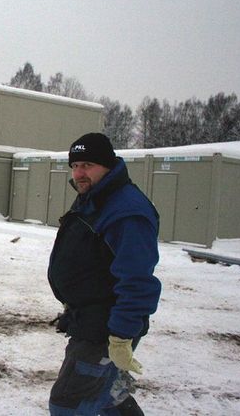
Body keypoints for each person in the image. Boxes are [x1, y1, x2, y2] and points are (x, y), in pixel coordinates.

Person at [47, 133, 161, 416]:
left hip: (106, 327)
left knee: (67, 405)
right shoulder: (94, 197)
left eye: (87, 164)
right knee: (107, 396)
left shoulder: (127, 210)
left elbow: (137, 281)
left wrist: (121, 336)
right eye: (74, 165)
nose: (78, 173)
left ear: (107, 165)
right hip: (87, 318)